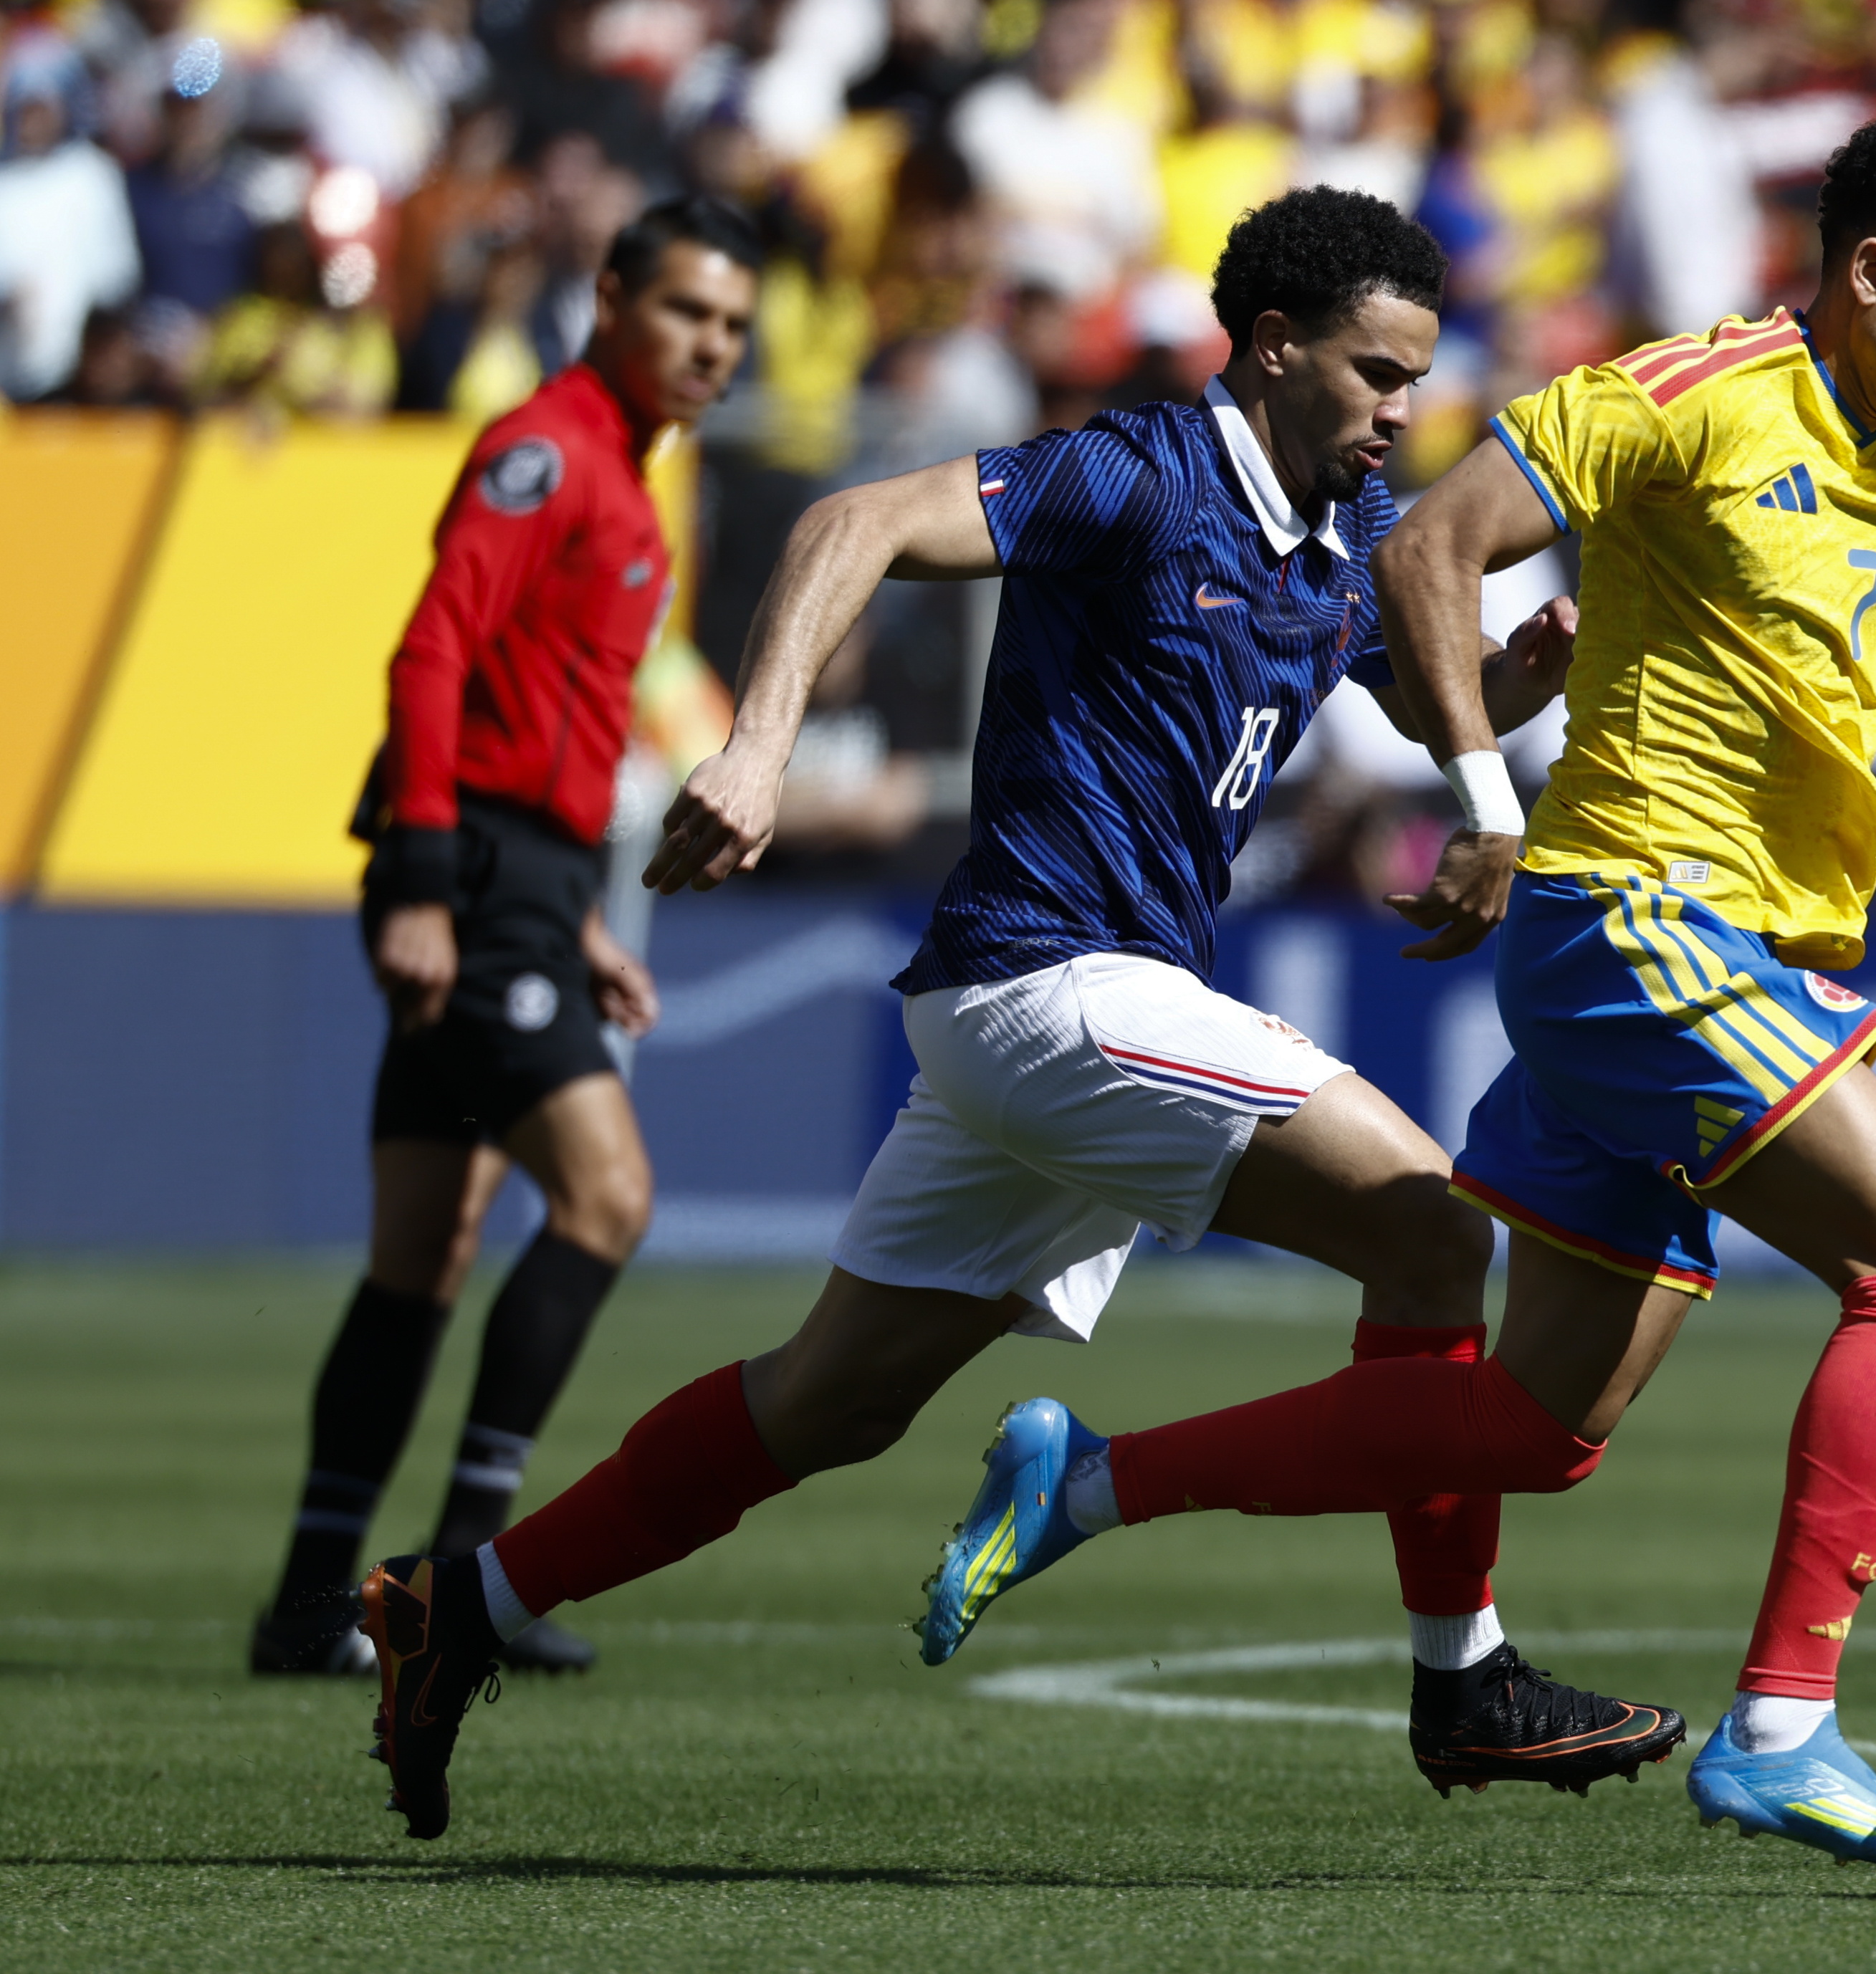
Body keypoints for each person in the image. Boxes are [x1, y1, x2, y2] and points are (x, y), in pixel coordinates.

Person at [945, 113, 1876, 1878]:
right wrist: (1482, 796)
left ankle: (1082, 1478)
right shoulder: (1685, 393)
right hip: (1632, 919)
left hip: (1739, 950)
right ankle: (1780, 1729)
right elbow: (1429, 554)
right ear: (1870, 273)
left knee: (1533, 1429)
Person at [350, 187, 1685, 1844]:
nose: (1400, 409)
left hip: (1057, 1022)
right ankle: (1463, 1676)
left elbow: (1411, 694)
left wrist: (1511, 688)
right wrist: (758, 744)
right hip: (1052, 982)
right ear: (1271, 351)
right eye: (1371, 371)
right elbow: (851, 522)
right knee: (1431, 1240)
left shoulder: (1337, 541)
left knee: (826, 1402)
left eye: (1413, 375)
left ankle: (461, 1604)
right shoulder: (1133, 471)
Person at [249, 197, 760, 1682]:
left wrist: (582, 926)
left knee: (427, 1245)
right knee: (606, 1198)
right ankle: (466, 1587)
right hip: (463, 869)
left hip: (522, 882)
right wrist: (419, 877)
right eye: (684, 314)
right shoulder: (544, 448)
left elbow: (556, 723)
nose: (710, 348)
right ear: (608, 299)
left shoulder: (630, 477)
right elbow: (434, 646)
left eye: (731, 327)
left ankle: (306, 1604)